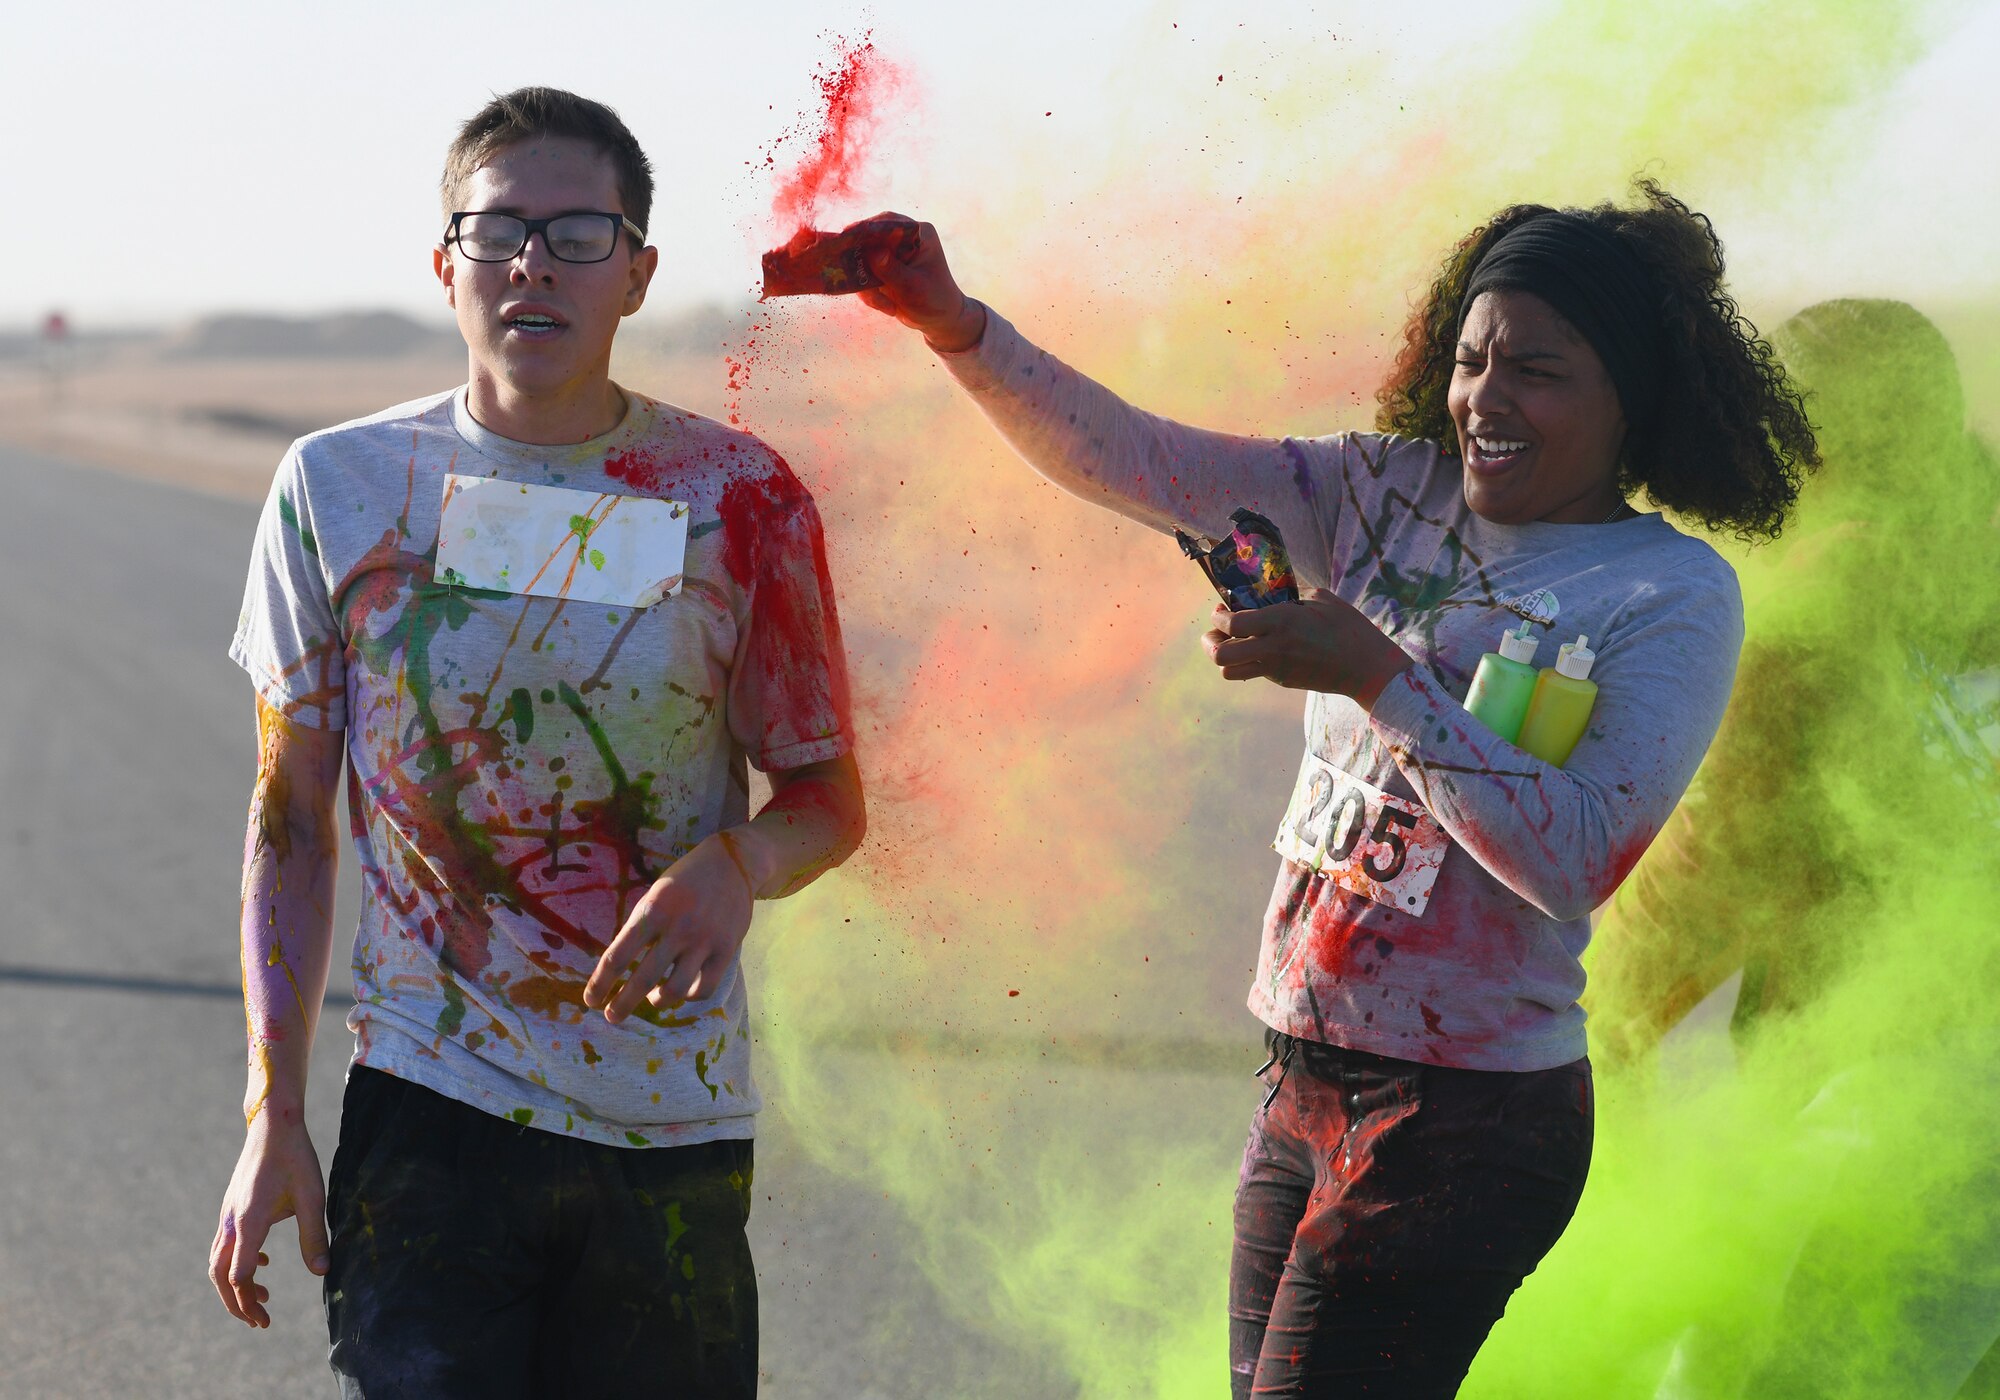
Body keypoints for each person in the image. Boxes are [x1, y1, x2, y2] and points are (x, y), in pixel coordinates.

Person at [846, 180, 1817, 1396]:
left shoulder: (1665, 592)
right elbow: (1142, 461)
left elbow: (1574, 857)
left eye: (1536, 370)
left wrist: (1375, 673)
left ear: (1630, 398)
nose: (1484, 398)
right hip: (1299, 1074)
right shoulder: (1378, 493)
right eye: (1469, 358)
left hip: (1465, 1117)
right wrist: (954, 326)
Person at [207, 87, 864, 1398]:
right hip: (430, 1111)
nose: (533, 264)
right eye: (498, 230)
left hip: (668, 1125)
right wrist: (272, 1112)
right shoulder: (339, 489)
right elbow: (290, 824)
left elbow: (826, 798)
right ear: (444, 263)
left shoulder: (738, 499)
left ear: (636, 272)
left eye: (578, 233)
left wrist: (738, 862)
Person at [1585, 299, 2000, 1400]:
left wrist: (1577, 1041)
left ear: (1806, 453)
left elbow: (1696, 879)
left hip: (1907, 1122)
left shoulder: (1816, 609)